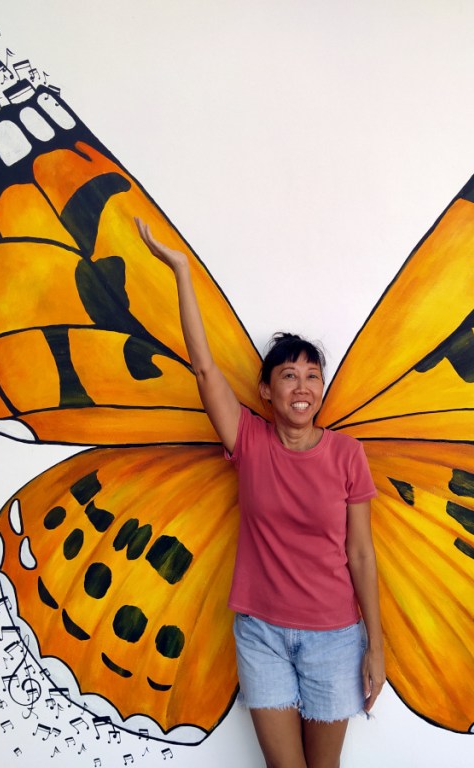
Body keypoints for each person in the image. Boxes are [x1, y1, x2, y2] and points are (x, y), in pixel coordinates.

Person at [136, 219, 385, 768]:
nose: (303, 387)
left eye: (312, 376)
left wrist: (376, 644)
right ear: (266, 391)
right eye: (289, 376)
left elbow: (361, 553)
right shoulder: (248, 440)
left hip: (335, 637)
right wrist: (182, 272)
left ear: (322, 389)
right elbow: (204, 369)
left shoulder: (348, 453)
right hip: (262, 635)